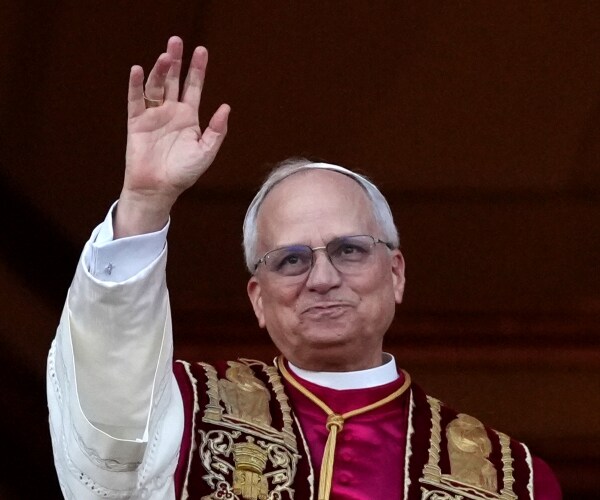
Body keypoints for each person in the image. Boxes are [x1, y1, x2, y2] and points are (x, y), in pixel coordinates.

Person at [46, 36, 562, 500]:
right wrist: (144, 203)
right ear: (258, 298)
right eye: (291, 260)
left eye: (349, 250)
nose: (322, 279)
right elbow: (106, 421)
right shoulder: (183, 410)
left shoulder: (509, 479)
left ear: (396, 273)